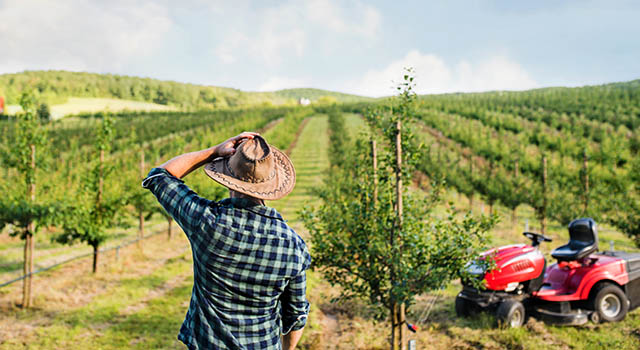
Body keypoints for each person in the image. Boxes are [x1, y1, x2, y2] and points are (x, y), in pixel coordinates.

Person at [142, 132, 310, 350]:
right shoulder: (293, 246)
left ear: (227, 177)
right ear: (271, 184)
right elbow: (296, 316)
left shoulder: (205, 222)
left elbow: (159, 176)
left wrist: (213, 151)